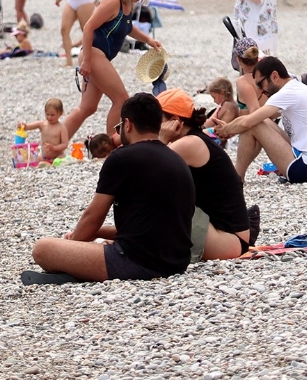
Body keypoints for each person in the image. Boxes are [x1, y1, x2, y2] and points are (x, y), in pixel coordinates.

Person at [27, 92, 195, 283]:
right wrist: (98, 234)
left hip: (138, 262)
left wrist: (73, 245)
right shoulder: (176, 159)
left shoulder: (122, 158)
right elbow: (151, 226)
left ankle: (78, 270)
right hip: (177, 262)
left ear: (128, 124)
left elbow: (93, 217)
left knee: (43, 248)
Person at [61, 0, 163, 143]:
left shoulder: (128, 4)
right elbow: (88, 27)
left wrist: (148, 40)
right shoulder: (112, 1)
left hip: (99, 56)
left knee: (87, 107)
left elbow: (128, 27)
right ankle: (112, 146)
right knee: (121, 99)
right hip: (93, 53)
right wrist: (86, 61)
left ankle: (55, 145)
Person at [158, 89, 258, 260]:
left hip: (229, 240)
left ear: (175, 122)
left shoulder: (189, 144)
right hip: (230, 235)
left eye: (156, 120)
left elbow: (144, 171)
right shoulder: (196, 138)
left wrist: (161, 139)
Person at [219, 56, 307, 183]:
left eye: (260, 84)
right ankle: (237, 176)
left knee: (255, 124)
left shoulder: (287, 93)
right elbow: (264, 118)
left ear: (274, 76)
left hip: (304, 168)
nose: (261, 91)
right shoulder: (296, 88)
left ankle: (236, 178)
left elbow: (248, 122)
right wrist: (228, 127)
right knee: (262, 121)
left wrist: (225, 130)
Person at [20, 97, 69, 161]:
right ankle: (45, 163)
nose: (49, 117)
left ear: (60, 113)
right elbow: (28, 127)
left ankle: (53, 163)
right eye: (47, 114)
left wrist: (54, 148)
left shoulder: (61, 128)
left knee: (62, 158)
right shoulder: (42, 124)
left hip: (57, 156)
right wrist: (23, 126)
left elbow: (65, 144)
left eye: (52, 115)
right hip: (44, 157)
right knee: (33, 158)